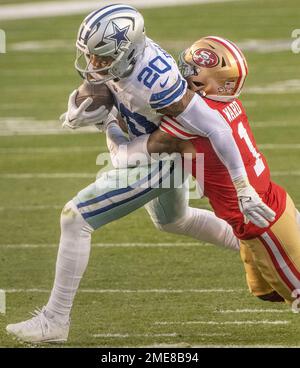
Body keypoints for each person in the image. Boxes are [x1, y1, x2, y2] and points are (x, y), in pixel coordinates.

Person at [6, 5, 274, 343]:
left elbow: (217, 128)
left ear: (127, 51)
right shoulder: (124, 57)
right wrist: (80, 103)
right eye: (89, 55)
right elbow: (103, 87)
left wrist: (243, 186)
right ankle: (267, 244)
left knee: (76, 218)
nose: (93, 64)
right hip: (147, 150)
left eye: (101, 58)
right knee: (174, 221)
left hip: (160, 159)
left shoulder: (157, 80)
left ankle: (54, 320)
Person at [104, 35, 300, 304]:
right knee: (266, 292)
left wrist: (107, 123)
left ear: (205, 84)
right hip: (267, 201)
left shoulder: (185, 124)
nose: (179, 77)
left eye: (188, 73)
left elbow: (123, 157)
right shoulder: (226, 103)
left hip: (260, 221)